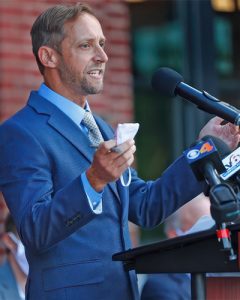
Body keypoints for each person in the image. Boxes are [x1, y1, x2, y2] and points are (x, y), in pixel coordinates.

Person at [0, 3, 239, 300]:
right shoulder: (20, 132)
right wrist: (94, 181)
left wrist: (207, 148)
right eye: (86, 45)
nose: (103, 56)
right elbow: (35, 230)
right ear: (49, 56)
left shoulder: (97, 125)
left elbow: (147, 206)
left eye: (102, 44)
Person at [141, 194, 213, 300]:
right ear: (174, 236)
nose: (212, 239)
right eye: (203, 229)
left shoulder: (225, 277)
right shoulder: (160, 289)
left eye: (214, 227)